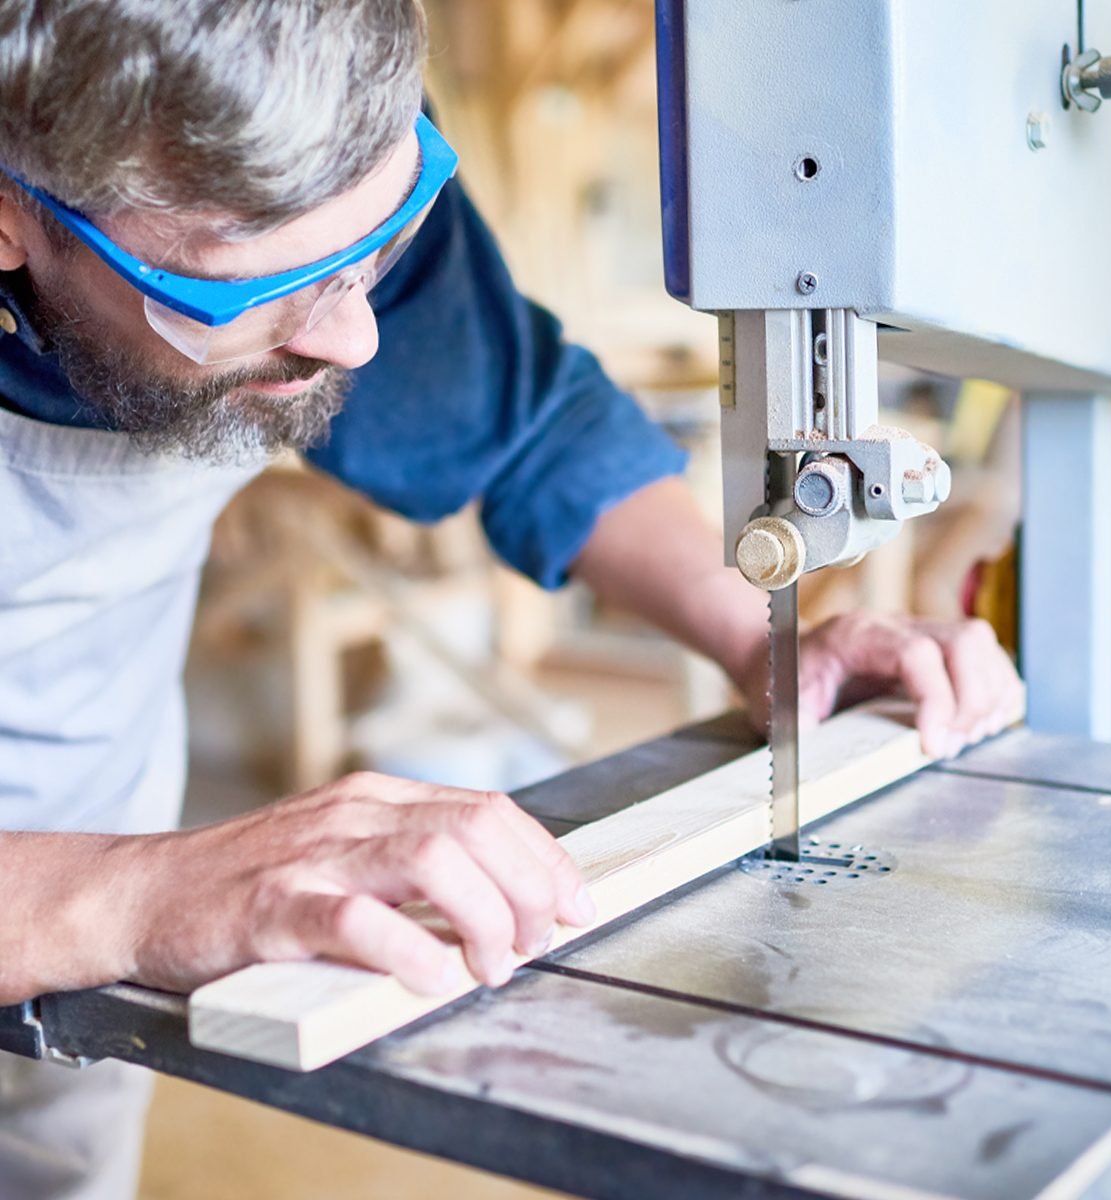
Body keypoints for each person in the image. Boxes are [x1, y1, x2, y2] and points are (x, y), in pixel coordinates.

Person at [0, 1, 1023, 1195]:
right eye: (253, 296)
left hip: (83, 860)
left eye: (376, 245)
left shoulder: (314, 178)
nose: (359, 336)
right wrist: (131, 897)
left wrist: (770, 639)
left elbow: (525, 423)